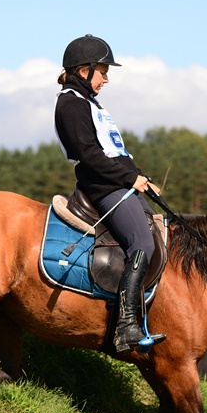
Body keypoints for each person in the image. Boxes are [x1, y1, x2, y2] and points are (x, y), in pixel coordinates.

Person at [53, 34, 165, 353]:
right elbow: (88, 155)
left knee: (154, 233)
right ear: (84, 70)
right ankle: (126, 326)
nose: (106, 79)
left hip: (119, 183)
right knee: (141, 242)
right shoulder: (71, 104)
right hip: (103, 187)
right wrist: (131, 177)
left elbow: (115, 151)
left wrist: (140, 175)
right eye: (103, 71)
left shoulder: (91, 104)